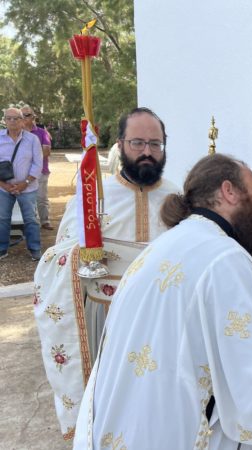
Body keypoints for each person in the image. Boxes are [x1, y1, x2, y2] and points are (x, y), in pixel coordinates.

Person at [72, 153, 252, 450]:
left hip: (130, 425)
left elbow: (200, 322)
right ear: (228, 191)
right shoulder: (226, 257)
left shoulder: (172, 241)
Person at [33, 107, 179, 440]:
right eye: (138, 142)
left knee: (157, 409)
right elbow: (55, 257)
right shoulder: (94, 195)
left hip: (161, 321)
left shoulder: (177, 198)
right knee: (108, 406)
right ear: (120, 144)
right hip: (106, 320)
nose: (147, 151)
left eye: (155, 144)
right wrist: (80, 253)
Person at [0, 107, 43, 261]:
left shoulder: (32, 139)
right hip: (3, 188)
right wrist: (3, 185)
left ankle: (35, 249)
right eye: (9, 118)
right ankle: (2, 249)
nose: (12, 121)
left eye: (16, 118)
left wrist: (25, 182)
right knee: (2, 219)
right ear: (4, 120)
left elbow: (38, 163)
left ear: (22, 121)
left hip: (28, 187)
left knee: (31, 219)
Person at [21, 105, 53, 230]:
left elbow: (47, 151)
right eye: (22, 115)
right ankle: (30, 222)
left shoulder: (42, 132)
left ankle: (45, 221)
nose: (24, 117)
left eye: (27, 115)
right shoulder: (16, 132)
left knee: (41, 198)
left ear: (33, 117)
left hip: (41, 171)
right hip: (22, 172)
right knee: (26, 198)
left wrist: (27, 157)